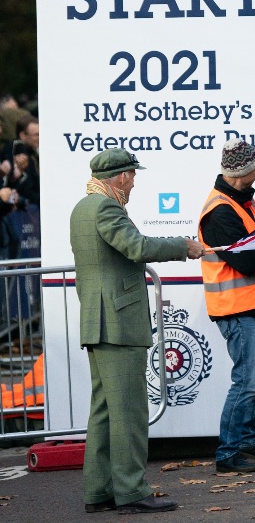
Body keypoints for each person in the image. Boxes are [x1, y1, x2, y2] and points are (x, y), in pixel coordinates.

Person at [71, 148, 203, 514]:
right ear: (123, 176)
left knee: (103, 411)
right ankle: (131, 490)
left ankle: (99, 491)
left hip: (97, 321)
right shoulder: (107, 208)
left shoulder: (84, 207)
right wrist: (183, 246)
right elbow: (136, 247)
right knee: (128, 411)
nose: (134, 182)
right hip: (119, 321)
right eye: (132, 175)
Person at [198, 139, 255, 475]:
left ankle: (248, 440)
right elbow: (251, 262)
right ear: (244, 172)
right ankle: (228, 452)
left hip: (250, 304)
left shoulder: (244, 201)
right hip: (232, 307)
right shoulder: (221, 211)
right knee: (247, 381)